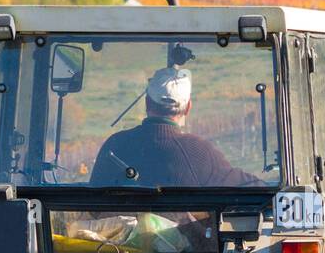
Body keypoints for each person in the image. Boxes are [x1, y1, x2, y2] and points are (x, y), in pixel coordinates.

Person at [90, 67, 260, 187]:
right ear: (188, 107)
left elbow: (93, 198)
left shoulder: (115, 145)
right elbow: (244, 184)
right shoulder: (200, 152)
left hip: (117, 239)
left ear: (147, 102)